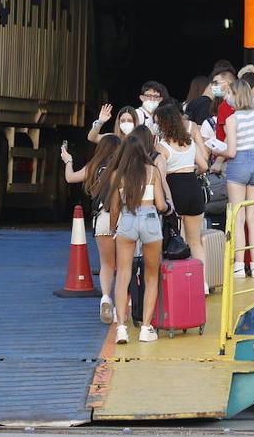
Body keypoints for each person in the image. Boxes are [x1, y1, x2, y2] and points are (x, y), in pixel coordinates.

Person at [108, 138, 168, 343]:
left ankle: (122, 328)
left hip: (128, 220)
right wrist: (168, 208)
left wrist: (112, 228)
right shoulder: (152, 172)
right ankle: (145, 328)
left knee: (123, 275)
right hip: (150, 219)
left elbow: (114, 208)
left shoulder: (118, 175)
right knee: (151, 276)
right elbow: (160, 204)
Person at [213, 79, 254, 278]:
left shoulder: (232, 119)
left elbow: (230, 151)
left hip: (238, 165)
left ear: (235, 95)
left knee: (238, 218)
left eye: (229, 92)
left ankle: (239, 266)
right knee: (253, 218)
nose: (227, 96)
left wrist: (213, 149)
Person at [61, 135, 123, 323]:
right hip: (122, 219)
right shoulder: (122, 169)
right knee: (123, 267)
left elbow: (70, 178)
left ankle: (105, 298)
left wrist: (68, 161)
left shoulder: (93, 167)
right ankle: (123, 307)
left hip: (101, 220)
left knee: (106, 265)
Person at [155, 103, 209, 290]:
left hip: (174, 191)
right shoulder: (190, 143)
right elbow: (204, 166)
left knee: (174, 239)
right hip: (193, 189)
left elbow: (159, 172)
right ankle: (202, 283)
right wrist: (192, 169)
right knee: (195, 241)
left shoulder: (161, 146)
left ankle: (179, 283)